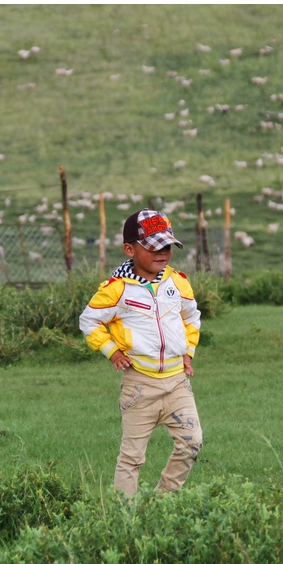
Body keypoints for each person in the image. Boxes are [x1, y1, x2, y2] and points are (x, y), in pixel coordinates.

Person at [79, 209, 203, 497]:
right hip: (139, 386)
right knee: (132, 457)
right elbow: (89, 321)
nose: (161, 253)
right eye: (152, 246)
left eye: (167, 246)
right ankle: (125, 515)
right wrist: (111, 351)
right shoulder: (117, 289)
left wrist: (188, 352)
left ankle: (163, 501)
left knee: (192, 443)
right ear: (129, 249)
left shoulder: (178, 283)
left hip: (177, 383)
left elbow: (191, 317)